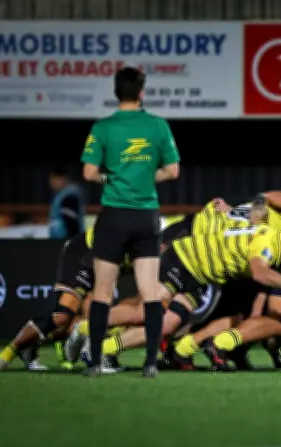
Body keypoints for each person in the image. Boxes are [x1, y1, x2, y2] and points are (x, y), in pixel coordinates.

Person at [80, 66, 181, 378]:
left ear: (115, 93)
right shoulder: (158, 125)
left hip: (113, 216)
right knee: (150, 290)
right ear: (142, 93)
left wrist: (111, 177)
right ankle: (150, 363)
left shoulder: (103, 127)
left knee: (102, 291)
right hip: (146, 217)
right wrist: (146, 176)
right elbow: (173, 170)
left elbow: (88, 173)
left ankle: (95, 361)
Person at [48, 165, 85, 240]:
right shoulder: (61, 195)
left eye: (53, 179)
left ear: (62, 179)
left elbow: (72, 223)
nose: (51, 183)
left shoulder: (69, 196)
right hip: (59, 240)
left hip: (65, 241)